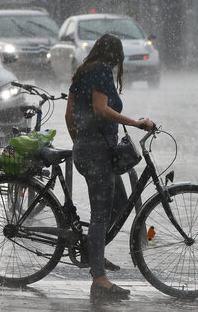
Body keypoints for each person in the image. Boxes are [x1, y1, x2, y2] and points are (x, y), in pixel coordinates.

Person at [65, 33, 154, 298]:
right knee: (101, 213)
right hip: (97, 153)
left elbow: (69, 113)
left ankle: (95, 254)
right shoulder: (102, 71)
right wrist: (135, 123)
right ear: (116, 55)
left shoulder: (83, 71)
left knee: (119, 203)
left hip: (89, 149)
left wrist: (78, 141)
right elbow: (101, 109)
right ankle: (99, 279)